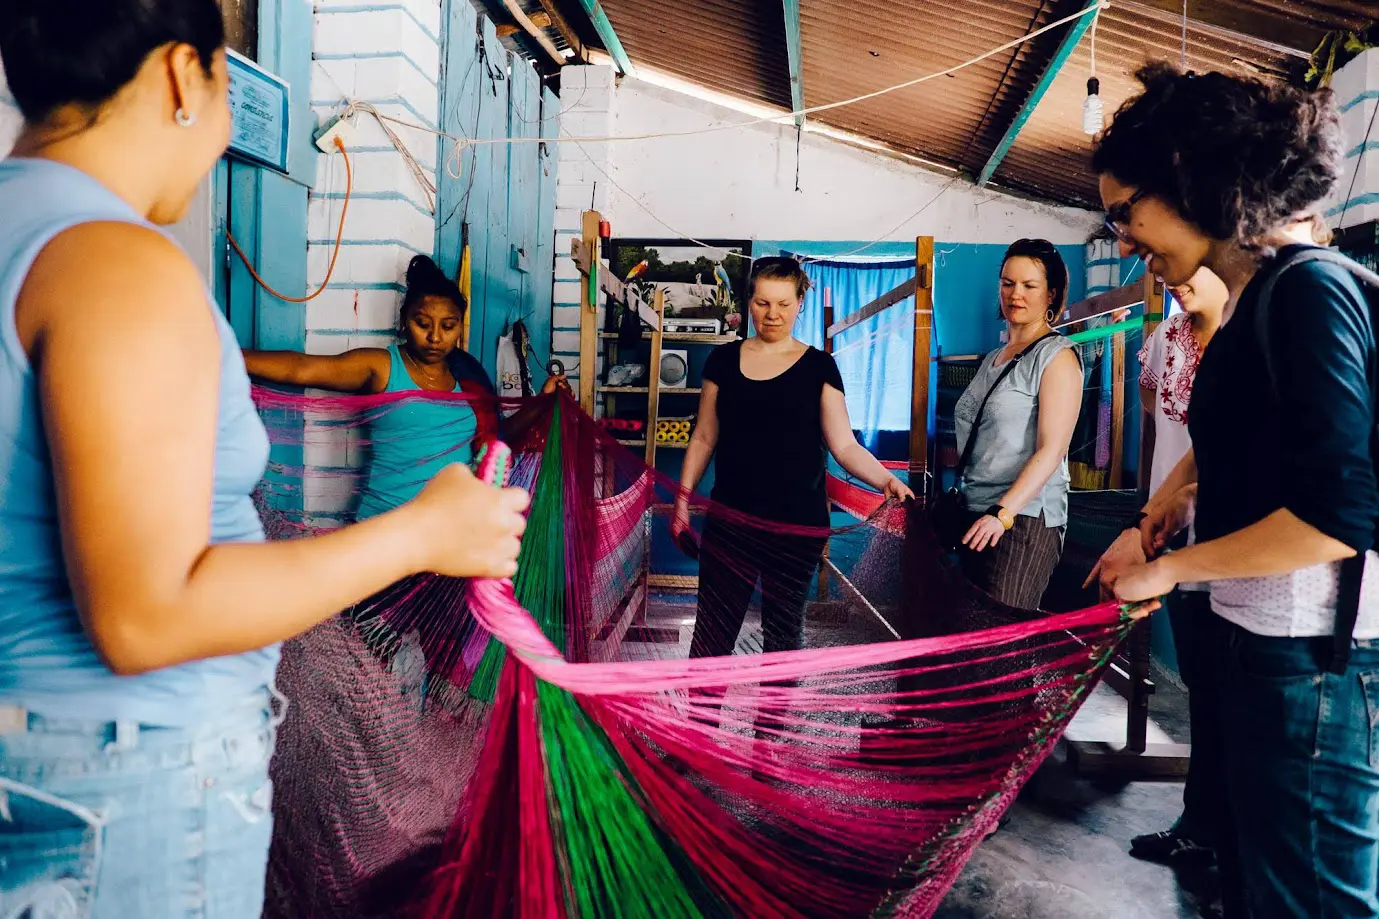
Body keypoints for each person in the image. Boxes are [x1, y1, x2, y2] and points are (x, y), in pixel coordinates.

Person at [0, 3, 528, 916]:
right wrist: (422, 532)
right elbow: (146, 618)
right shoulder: (117, 265)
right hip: (126, 786)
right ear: (181, 76)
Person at [1097, 62, 1379, 919]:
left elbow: (1335, 516)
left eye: (1125, 213)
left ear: (1190, 174)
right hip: (1271, 645)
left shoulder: (1308, 288)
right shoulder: (1264, 297)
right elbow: (1247, 440)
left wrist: (1174, 571)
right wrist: (1168, 505)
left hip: (1313, 659)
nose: (1121, 240)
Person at [671, 257, 912, 666]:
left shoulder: (819, 367)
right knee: (713, 633)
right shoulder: (723, 362)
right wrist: (682, 499)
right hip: (731, 522)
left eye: (784, 303)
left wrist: (885, 480)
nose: (773, 314)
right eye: (763, 303)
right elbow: (704, 436)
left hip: (796, 528)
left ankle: (770, 728)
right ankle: (702, 725)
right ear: (749, 302)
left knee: (782, 635)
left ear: (801, 301)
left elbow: (845, 446)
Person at [245, 254, 566, 519]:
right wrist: (223, 354)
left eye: (448, 326)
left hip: (449, 537)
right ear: (404, 322)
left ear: (459, 329)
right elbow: (301, 369)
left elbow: (496, 439)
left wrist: (542, 403)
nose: (435, 337)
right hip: (385, 530)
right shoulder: (382, 367)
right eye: (423, 324)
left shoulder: (469, 378)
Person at [1087, 268, 1227, 869]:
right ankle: (1201, 825)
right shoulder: (1165, 340)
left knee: (1239, 699)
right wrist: (1145, 515)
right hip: (1175, 532)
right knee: (1205, 691)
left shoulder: (1253, 334)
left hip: (1236, 548)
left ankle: (1230, 840)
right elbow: (1165, 430)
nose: (1165, 271)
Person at [951, 239, 1082, 609]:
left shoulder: (1057, 358)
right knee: (967, 637)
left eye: (1029, 285)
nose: (1015, 294)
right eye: (1008, 283)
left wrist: (1001, 513)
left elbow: (1052, 449)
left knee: (998, 640)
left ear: (1051, 294)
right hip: (976, 513)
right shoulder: (994, 357)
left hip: (1022, 519)